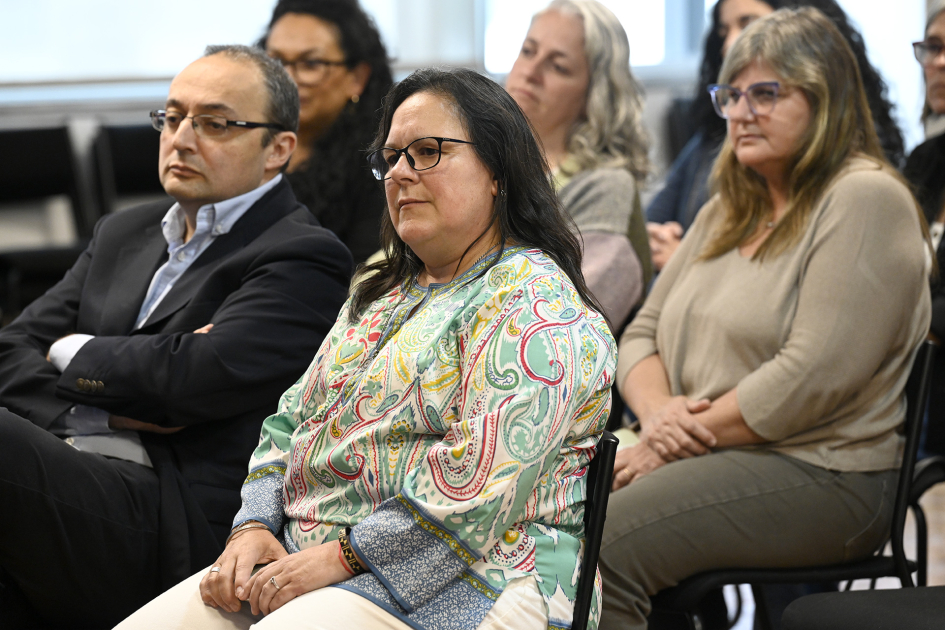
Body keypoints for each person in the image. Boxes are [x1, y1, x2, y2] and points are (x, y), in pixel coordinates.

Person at [115, 67, 617, 630]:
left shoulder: (538, 305)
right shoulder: (379, 290)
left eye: (427, 152)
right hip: (309, 559)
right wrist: (253, 527)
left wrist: (343, 558)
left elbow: (476, 484)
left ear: (498, 170)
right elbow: (289, 423)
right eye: (392, 157)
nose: (401, 173)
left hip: (484, 572)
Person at [597, 8, 930, 629]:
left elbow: (808, 378)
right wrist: (660, 416)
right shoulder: (728, 206)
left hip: (826, 470)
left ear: (825, 99)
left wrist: (666, 445)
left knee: (605, 542)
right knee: (555, 517)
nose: (742, 111)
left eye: (767, 93)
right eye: (732, 94)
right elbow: (640, 333)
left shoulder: (864, 197)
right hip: (704, 448)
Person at [0, 45, 352, 628]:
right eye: (172, 116)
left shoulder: (302, 255)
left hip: (164, 509)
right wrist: (107, 411)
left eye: (214, 123)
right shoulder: (124, 231)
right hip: (70, 464)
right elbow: (9, 352)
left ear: (277, 150)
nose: (182, 138)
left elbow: (188, 380)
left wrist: (68, 348)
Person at [645, 0, 905, 274]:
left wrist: (686, 263)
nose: (731, 42)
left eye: (747, 23)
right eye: (724, 31)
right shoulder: (715, 160)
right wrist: (659, 241)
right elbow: (653, 219)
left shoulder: (862, 187)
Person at [505, 0, 651, 329]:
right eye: (528, 51)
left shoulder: (607, 186)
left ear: (593, 95)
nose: (530, 73)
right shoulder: (481, 160)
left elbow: (568, 326)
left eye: (558, 67)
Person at [261, 0, 393, 265]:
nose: (286, 79)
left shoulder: (383, 167)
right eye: (275, 62)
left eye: (310, 64)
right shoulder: (241, 142)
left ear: (356, 78)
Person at [904, 0, 945, 457]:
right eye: (931, 48)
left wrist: (906, 310)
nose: (937, 62)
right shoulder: (924, 161)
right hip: (908, 381)